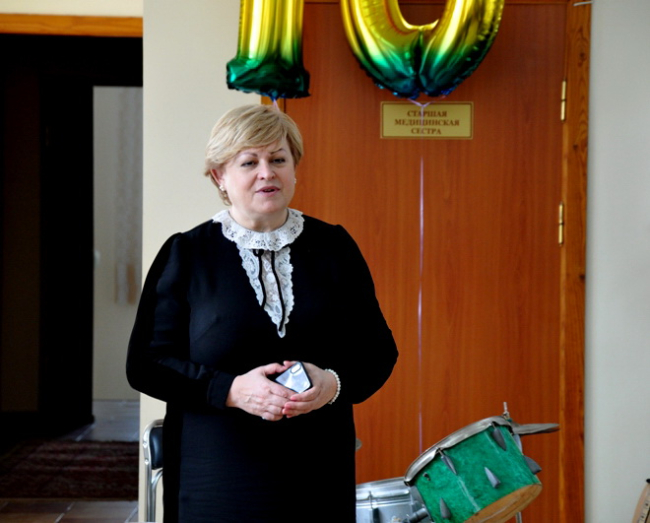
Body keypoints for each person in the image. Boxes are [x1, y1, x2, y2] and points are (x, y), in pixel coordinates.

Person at [126, 104, 398, 522]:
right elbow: (146, 365)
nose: (267, 173)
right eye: (249, 162)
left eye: (278, 160)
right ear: (219, 176)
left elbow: (378, 352)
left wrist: (332, 383)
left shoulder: (335, 247)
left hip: (317, 474)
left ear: (294, 168)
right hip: (213, 476)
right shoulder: (186, 253)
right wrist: (231, 390)